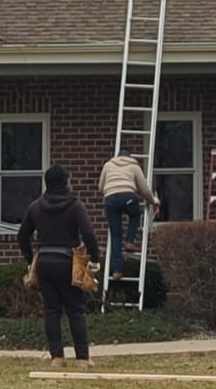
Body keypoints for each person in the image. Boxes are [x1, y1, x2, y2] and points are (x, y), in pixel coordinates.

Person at [17, 165, 100, 368]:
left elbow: (22, 235)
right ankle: (82, 358)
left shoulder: (35, 206)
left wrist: (30, 260)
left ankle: (57, 357)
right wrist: (95, 259)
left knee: (52, 311)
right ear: (65, 182)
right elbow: (88, 233)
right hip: (67, 262)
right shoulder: (75, 205)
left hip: (44, 261)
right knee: (76, 310)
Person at [99, 148, 160, 278]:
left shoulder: (108, 164)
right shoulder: (134, 165)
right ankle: (130, 241)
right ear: (130, 157)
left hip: (110, 200)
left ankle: (117, 270)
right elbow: (144, 189)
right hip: (128, 197)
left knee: (115, 235)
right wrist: (152, 200)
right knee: (135, 214)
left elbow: (100, 187)